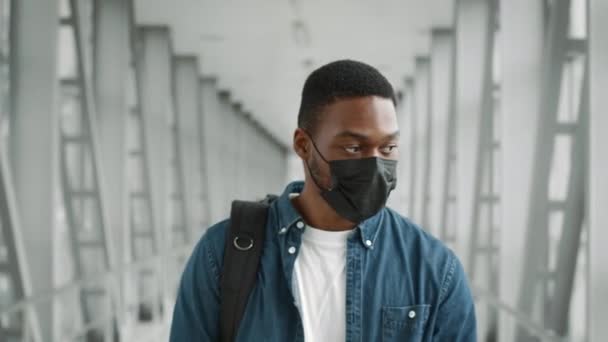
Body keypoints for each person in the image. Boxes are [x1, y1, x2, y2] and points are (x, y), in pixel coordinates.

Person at [169, 59, 476, 341]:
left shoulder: (434, 268)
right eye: (354, 148)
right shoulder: (223, 253)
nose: (374, 166)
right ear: (303, 145)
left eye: (387, 148)